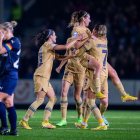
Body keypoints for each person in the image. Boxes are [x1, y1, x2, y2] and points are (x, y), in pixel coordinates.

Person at [19, 29, 83, 129]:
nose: (56, 37)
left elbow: (60, 57)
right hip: (41, 76)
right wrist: (77, 39)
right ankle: (24, 120)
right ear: (50, 37)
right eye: (54, 35)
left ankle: (45, 121)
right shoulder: (48, 45)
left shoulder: (46, 47)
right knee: (40, 100)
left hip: (44, 77)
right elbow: (66, 47)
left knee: (53, 98)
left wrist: (72, 55)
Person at [56, 11, 105, 127]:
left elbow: (91, 44)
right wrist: (60, 66)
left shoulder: (88, 31)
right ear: (84, 19)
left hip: (81, 67)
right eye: (89, 18)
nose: (90, 21)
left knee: (77, 96)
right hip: (70, 66)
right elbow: (74, 46)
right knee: (63, 92)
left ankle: (79, 118)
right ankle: (63, 119)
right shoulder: (76, 30)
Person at [0, 21, 20, 135]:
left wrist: (0, 38)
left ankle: (4, 126)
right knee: (8, 103)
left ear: (7, 31)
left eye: (2, 32)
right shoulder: (7, 42)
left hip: (10, 76)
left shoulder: (14, 41)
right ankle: (13, 130)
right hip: (5, 75)